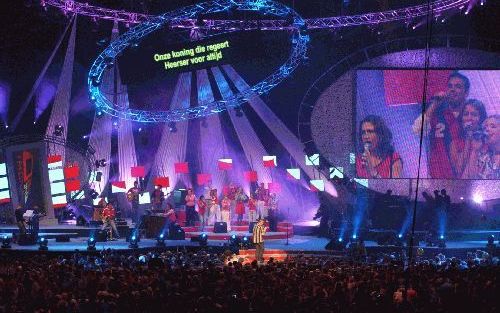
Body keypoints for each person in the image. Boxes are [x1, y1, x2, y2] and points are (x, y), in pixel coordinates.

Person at [412, 72, 470, 178]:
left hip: (464, 176)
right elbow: (417, 130)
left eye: (458, 86)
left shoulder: (470, 114)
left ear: (466, 93)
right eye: (450, 86)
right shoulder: (436, 112)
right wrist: (435, 103)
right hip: (438, 177)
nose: (452, 89)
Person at [450, 99, 488, 178]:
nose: (469, 118)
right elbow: (459, 170)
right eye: (466, 114)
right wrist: (468, 139)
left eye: (474, 115)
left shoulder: (488, 141)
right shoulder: (455, 143)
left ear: (481, 119)